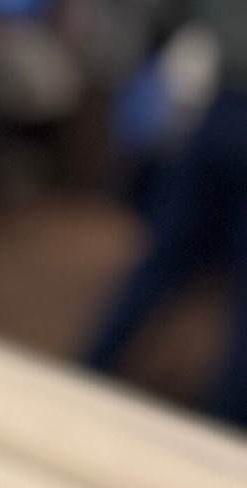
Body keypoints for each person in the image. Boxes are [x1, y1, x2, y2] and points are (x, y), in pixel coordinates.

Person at [85, 0, 247, 428]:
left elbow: (173, 15)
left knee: (160, 265)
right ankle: (223, 431)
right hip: (221, 110)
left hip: (222, 112)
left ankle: (86, 372)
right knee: (163, 265)